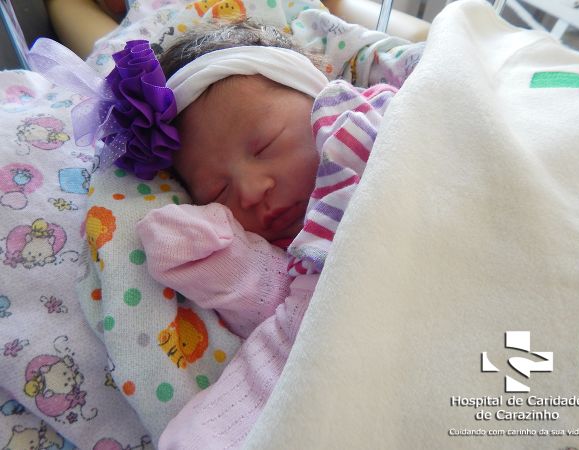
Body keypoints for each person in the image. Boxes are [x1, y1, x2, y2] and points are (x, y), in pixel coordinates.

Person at [134, 20, 418, 449]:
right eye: (218, 191)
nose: (250, 191)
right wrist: (234, 266)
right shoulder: (295, 258)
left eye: (265, 145)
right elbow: (296, 309)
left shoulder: (372, 125)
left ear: (317, 96)